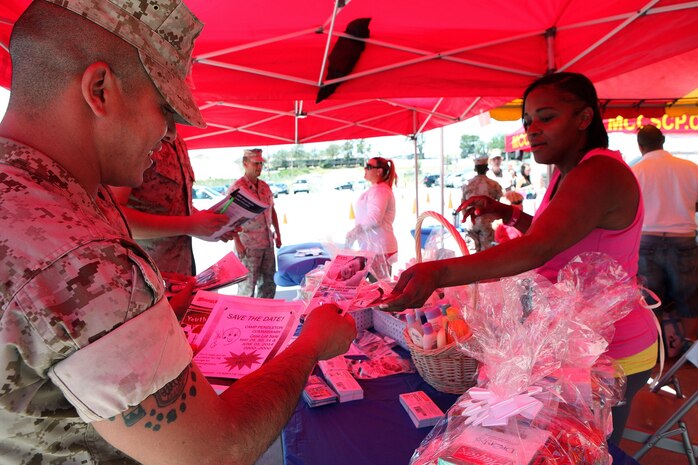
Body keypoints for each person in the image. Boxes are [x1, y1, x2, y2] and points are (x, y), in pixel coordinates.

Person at [0, 2, 356, 464]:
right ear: (100, 90)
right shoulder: (76, 251)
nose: (169, 135)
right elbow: (211, 450)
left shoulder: (39, 191)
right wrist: (310, 346)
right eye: (164, 110)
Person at [381, 72, 657, 445]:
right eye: (527, 121)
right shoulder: (568, 174)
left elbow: (538, 248)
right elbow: (559, 236)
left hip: (610, 349)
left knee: (583, 450)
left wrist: (441, 271)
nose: (533, 129)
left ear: (584, 118)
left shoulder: (599, 172)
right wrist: (507, 214)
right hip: (572, 343)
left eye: (547, 117)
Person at [110, 133, 233, 276]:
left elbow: (174, 205)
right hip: (145, 278)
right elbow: (113, 217)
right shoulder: (137, 133)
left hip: (180, 273)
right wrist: (189, 225)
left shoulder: (177, 141)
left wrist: (209, 223)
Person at [633, 124, 698, 344]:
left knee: (651, 298)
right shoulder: (690, 167)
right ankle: (689, 346)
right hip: (683, 239)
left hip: (647, 240)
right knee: (689, 295)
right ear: (663, 141)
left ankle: (657, 347)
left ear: (640, 146)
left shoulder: (636, 171)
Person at [230, 148, 283, 298]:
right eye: (255, 164)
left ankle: (265, 316)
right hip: (248, 247)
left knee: (268, 284)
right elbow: (230, 218)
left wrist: (278, 233)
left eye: (261, 164)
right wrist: (237, 242)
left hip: (267, 243)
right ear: (245, 163)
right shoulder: (237, 188)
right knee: (247, 287)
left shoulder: (265, 186)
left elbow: (272, 210)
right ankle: (246, 319)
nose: (259, 167)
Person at [345, 156, 399, 280]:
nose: (365, 169)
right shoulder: (377, 189)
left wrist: (355, 232)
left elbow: (374, 219)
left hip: (379, 249)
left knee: (378, 289)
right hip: (373, 248)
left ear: (379, 171)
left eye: (369, 167)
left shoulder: (381, 190)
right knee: (373, 289)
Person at [461, 155, 504, 251]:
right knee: (486, 252)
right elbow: (502, 203)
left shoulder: (467, 185)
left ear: (475, 169)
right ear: (487, 169)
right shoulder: (494, 185)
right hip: (487, 222)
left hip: (471, 221)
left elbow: (462, 205)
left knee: (472, 251)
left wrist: (465, 219)